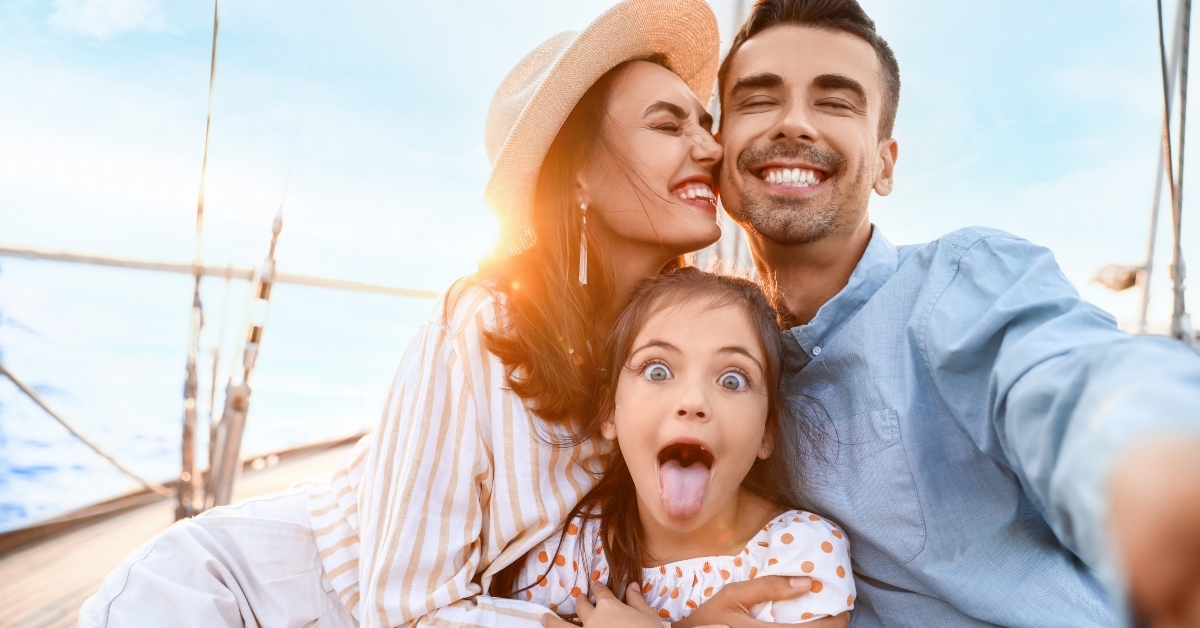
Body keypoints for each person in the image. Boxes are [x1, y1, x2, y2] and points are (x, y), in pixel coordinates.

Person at [79, 1, 741, 626]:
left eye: (704, 122)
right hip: (232, 597)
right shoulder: (480, 331)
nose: (710, 149)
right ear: (577, 175)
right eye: (667, 124)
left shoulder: (685, 352)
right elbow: (406, 612)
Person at [657, 1, 1200, 626]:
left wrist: (1164, 475)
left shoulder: (962, 284)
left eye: (835, 102)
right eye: (758, 100)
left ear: (885, 164)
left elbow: (1078, 389)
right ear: (719, 155)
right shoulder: (724, 365)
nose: (794, 123)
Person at [498, 268, 853, 626]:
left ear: (766, 431)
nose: (693, 400)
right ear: (609, 411)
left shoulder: (798, 553)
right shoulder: (572, 554)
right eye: (657, 371)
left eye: (732, 379)